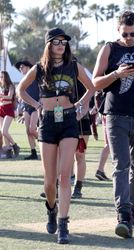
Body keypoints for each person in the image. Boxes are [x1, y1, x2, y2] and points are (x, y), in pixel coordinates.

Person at [17, 27, 94, 244]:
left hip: (69, 121)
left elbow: (91, 87)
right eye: (56, 41)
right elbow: (21, 89)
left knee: (64, 175)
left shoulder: (73, 66)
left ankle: (63, 224)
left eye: (64, 42)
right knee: (50, 182)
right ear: (48, 45)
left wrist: (81, 104)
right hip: (48, 122)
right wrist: (36, 105)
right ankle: (51, 209)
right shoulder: (39, 68)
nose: (61, 45)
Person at [92, 11, 134, 239]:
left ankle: (132, 212)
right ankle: (122, 216)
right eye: (125, 34)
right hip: (116, 115)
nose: (130, 37)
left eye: (133, 33)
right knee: (121, 165)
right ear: (118, 30)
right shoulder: (109, 48)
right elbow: (95, 82)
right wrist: (116, 74)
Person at [15, 60, 40, 160]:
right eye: (20, 68)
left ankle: (45, 142)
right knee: (28, 131)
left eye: (22, 67)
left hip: (36, 106)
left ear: (28, 67)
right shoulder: (22, 81)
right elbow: (20, 94)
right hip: (26, 107)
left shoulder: (36, 77)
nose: (20, 69)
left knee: (32, 129)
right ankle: (33, 153)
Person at [0, 71, 20, 158]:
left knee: (4, 131)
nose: (0, 79)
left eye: (2, 77)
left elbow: (9, 97)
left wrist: (1, 96)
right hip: (1, 109)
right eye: (0, 77)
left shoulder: (11, 86)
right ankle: (8, 150)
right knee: (3, 132)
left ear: (6, 77)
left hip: (8, 110)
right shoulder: (2, 87)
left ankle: (15, 146)